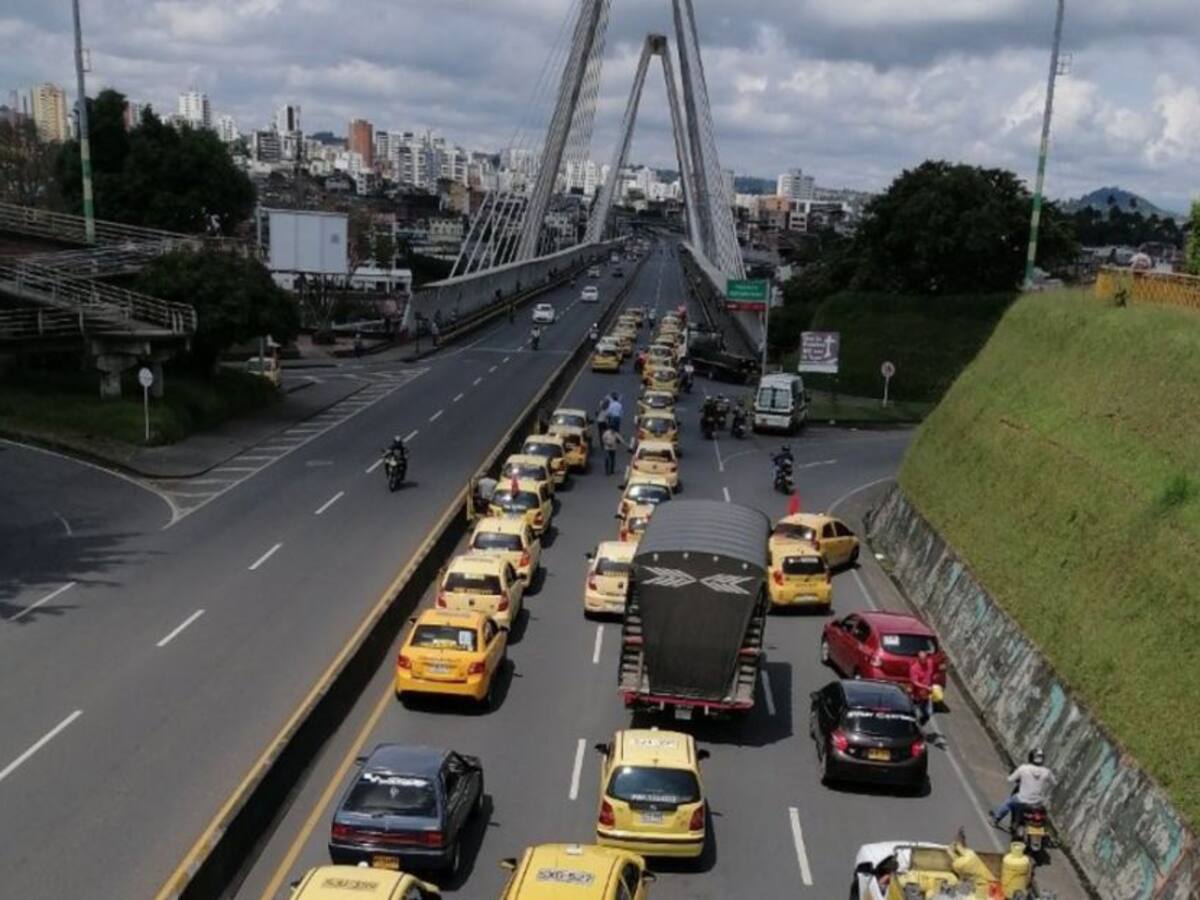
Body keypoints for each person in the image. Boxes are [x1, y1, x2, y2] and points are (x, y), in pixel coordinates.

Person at [992, 749, 1056, 827]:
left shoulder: (1023, 768)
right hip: (1036, 802)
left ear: (1030, 757)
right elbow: (1054, 783)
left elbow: (1010, 779)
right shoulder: (1047, 772)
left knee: (1009, 802)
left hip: (1021, 799)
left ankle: (996, 819)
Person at [909, 649, 936, 726]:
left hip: (926, 695)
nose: (924, 661)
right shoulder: (914, 668)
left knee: (927, 714)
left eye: (925, 659)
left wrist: (932, 684)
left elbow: (932, 674)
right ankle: (912, 726)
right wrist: (926, 687)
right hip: (917, 695)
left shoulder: (930, 663)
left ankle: (918, 726)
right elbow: (915, 682)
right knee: (914, 713)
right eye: (922, 659)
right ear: (918, 659)